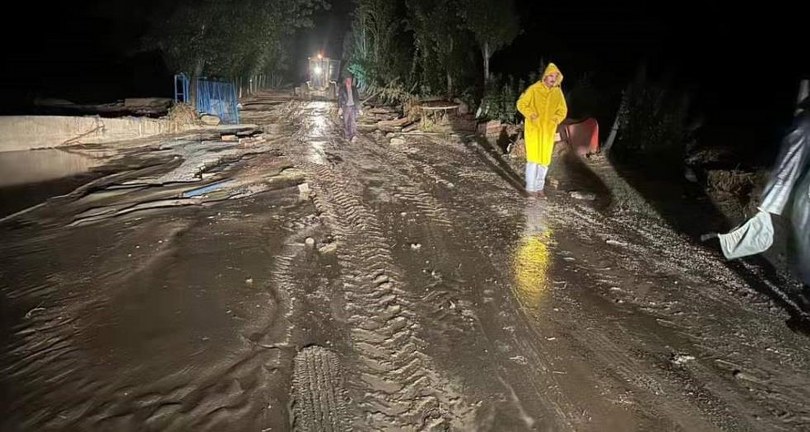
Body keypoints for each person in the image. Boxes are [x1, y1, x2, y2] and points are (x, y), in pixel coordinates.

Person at [516, 63, 568, 197]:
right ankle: (530, 188)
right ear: (545, 75)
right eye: (551, 75)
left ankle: (539, 188)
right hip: (534, 130)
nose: (553, 78)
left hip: (548, 132)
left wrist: (556, 119)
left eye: (555, 76)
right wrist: (531, 114)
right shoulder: (533, 89)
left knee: (544, 161)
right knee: (533, 159)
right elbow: (521, 103)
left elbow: (563, 110)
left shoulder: (557, 92)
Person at [338, 73, 362, 142]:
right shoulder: (342, 89)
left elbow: (357, 100)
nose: (349, 82)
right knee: (345, 122)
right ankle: (347, 136)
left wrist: (359, 109)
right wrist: (340, 108)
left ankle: (353, 136)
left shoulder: (354, 89)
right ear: (345, 81)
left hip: (353, 107)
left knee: (353, 122)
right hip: (345, 107)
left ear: (351, 81)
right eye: (347, 81)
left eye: (350, 81)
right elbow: (340, 99)